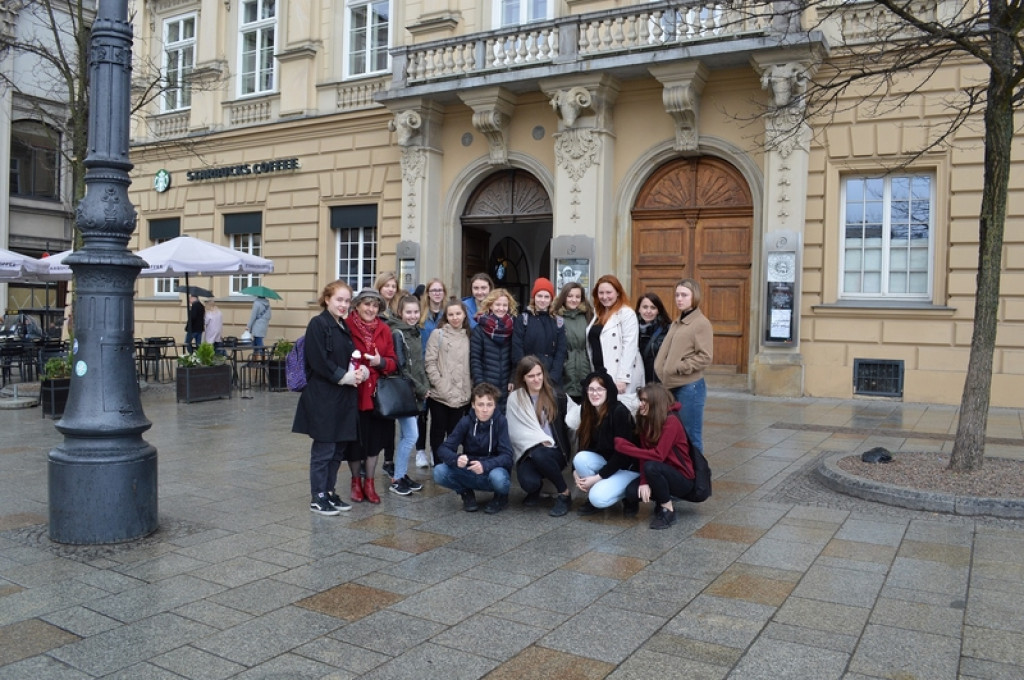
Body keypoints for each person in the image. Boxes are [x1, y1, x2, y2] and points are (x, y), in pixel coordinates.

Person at [292, 280, 366, 515]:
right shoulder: (318, 323)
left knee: (337, 450)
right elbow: (318, 360)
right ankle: (318, 496)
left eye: (347, 301)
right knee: (324, 450)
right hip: (323, 397)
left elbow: (349, 357)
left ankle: (329, 492)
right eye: (339, 300)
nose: (343, 305)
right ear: (327, 299)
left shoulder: (342, 325)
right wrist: (342, 377)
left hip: (342, 397)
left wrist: (360, 371)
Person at [614, 383, 695, 530]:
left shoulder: (671, 421)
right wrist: (644, 481)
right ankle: (661, 498)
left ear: (656, 402)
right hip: (657, 472)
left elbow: (658, 455)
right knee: (631, 492)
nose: (640, 404)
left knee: (652, 467)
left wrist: (626, 448)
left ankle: (668, 509)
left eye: (645, 400)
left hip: (682, 478)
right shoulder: (645, 420)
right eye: (640, 400)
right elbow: (644, 455)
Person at [345, 288, 398, 504]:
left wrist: (380, 362)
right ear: (357, 305)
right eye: (367, 304)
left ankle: (370, 483)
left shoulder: (384, 329)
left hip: (377, 395)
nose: (371, 309)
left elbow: (393, 362)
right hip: (353, 392)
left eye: (375, 305)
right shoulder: (347, 326)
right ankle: (355, 482)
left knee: (374, 441)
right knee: (355, 441)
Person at [506, 356, 575, 516]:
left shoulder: (557, 396)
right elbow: (515, 432)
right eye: (531, 376)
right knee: (529, 483)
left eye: (539, 374)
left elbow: (575, 417)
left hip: (556, 451)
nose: (537, 379)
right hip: (528, 452)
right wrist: (537, 441)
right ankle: (535, 490)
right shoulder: (515, 399)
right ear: (523, 378)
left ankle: (564, 493)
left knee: (540, 454)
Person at [433, 382, 514, 514]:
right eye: (480, 404)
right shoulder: (466, 421)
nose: (485, 409)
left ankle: (500, 497)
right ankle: (466, 493)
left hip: (492, 471)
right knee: (439, 471)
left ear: (495, 405)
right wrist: (456, 459)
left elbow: (507, 456)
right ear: (473, 405)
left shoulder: (501, 421)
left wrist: (485, 465)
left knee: (499, 479)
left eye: (489, 405)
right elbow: (443, 449)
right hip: (470, 470)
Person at [653, 278, 713, 453]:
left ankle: (697, 470)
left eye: (684, 295)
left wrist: (680, 367)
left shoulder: (701, 323)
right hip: (670, 385)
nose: (679, 299)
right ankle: (681, 468)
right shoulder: (677, 322)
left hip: (689, 387)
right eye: (677, 295)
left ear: (695, 297)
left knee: (691, 436)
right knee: (673, 435)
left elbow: (705, 356)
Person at [570, 370, 639, 516]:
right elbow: (583, 446)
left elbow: (623, 455)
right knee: (580, 459)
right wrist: (575, 471)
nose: (595, 394)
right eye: (591, 389)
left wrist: (596, 478)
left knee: (598, 498)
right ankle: (599, 489)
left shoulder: (619, 412)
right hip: (606, 463)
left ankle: (628, 495)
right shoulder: (587, 410)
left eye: (600, 389)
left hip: (627, 467)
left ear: (608, 391)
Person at [424, 297, 472, 465]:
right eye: (451, 314)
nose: (455, 318)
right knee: (438, 431)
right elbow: (430, 362)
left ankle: (450, 462)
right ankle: (438, 463)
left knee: (455, 433)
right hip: (440, 394)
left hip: (461, 394)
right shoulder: (438, 334)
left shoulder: (469, 336)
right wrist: (440, 384)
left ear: (464, 315)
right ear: (446, 316)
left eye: (458, 314)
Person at [389, 294, 429, 496]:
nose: (413, 316)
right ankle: (397, 479)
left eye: (416, 312)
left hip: (415, 392)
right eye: (408, 312)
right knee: (412, 435)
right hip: (405, 392)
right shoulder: (398, 333)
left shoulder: (415, 332)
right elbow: (401, 368)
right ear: (400, 313)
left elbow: (418, 365)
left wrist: (425, 385)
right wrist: (420, 388)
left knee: (406, 435)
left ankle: (401, 474)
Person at [586, 274, 643, 412]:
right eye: (601, 293)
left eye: (609, 292)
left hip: (619, 376)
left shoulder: (627, 314)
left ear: (618, 292)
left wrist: (623, 378)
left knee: (619, 413)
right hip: (599, 372)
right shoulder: (598, 313)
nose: (605, 296)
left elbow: (629, 347)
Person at [415, 278, 448, 467]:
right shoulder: (421, 314)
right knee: (422, 413)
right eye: (433, 290)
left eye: (439, 290)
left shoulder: (447, 314)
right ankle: (420, 450)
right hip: (422, 369)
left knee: (439, 414)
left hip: (441, 369)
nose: (436, 293)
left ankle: (437, 451)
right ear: (427, 293)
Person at [511, 277, 567, 385]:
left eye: (546, 297)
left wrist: (553, 377)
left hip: (551, 377)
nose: (543, 300)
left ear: (551, 299)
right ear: (534, 297)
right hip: (528, 375)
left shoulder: (558, 321)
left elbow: (561, 352)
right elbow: (517, 350)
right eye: (539, 296)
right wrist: (527, 373)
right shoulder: (523, 319)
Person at [470, 288, 517, 407]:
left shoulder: (514, 327)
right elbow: (475, 359)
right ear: (490, 305)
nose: (501, 308)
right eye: (497, 304)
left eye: (505, 305)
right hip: (486, 386)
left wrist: (513, 379)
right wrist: (481, 385)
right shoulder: (479, 329)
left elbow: (516, 358)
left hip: (507, 387)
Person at [374, 271, 402, 476]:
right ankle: (369, 459)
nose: (391, 289)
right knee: (375, 419)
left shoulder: (396, 310)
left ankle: (389, 459)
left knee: (390, 418)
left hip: (392, 368)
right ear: (380, 287)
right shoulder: (374, 309)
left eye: (393, 286)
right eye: (387, 286)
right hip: (376, 367)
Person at [552, 282, 593, 402]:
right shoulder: (555, 317)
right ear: (563, 297)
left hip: (585, 370)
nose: (574, 300)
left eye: (577, 296)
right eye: (570, 296)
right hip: (565, 373)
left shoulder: (588, 316)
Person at [636, 292, 671, 384]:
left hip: (657, 382)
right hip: (637, 381)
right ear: (639, 309)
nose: (648, 311)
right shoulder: (630, 329)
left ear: (658, 310)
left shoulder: (667, 330)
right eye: (645, 307)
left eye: (653, 308)